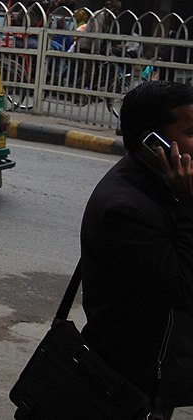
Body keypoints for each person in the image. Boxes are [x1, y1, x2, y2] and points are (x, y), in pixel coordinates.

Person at [80, 80, 193, 418]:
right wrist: (190, 203)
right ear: (152, 143)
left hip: (160, 369)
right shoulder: (124, 208)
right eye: (191, 130)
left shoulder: (164, 184)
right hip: (130, 380)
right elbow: (184, 286)